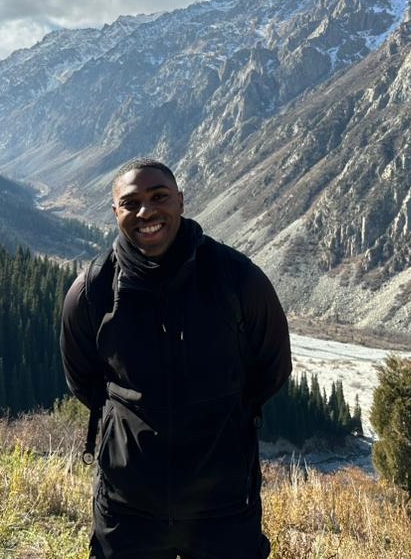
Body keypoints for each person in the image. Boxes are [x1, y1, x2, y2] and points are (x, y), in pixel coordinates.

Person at [60, 158, 292, 559]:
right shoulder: (92, 290)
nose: (146, 212)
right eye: (130, 203)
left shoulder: (237, 279)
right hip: (127, 504)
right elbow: (84, 380)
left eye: (158, 197)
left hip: (223, 504)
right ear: (115, 212)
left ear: (181, 201)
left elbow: (272, 368)